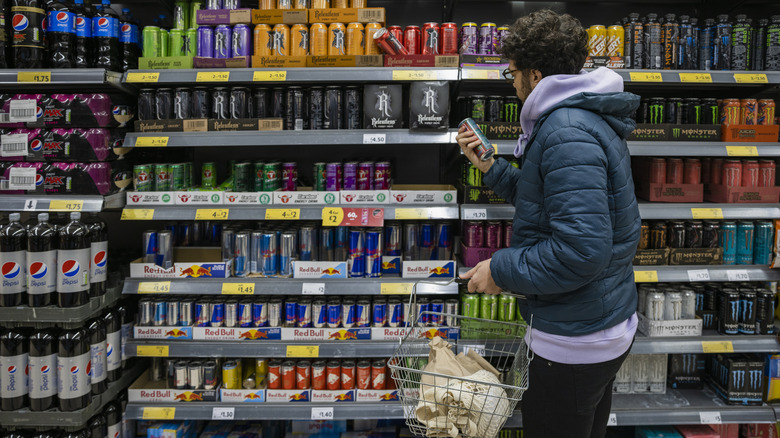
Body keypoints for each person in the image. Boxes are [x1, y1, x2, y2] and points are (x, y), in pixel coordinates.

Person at [456, 9, 641, 438]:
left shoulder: (565, 130)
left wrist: (499, 270)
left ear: (535, 74)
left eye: (513, 73)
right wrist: (491, 167)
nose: (513, 82)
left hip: (577, 340)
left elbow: (580, 251)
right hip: (593, 322)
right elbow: (552, 202)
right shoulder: (576, 117)